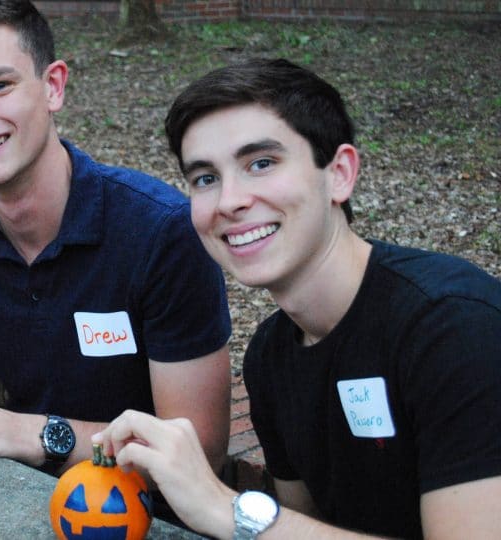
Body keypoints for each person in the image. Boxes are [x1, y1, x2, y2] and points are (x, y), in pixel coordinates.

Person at [94, 58, 501, 539]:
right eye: (205, 178)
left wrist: (230, 509)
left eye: (261, 164)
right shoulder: (270, 358)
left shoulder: (454, 327)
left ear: (340, 174)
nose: (229, 201)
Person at [0, 0, 233, 480]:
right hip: (13, 499)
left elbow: (199, 449)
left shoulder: (160, 232)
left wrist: (24, 432)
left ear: (53, 86)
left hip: (140, 516)